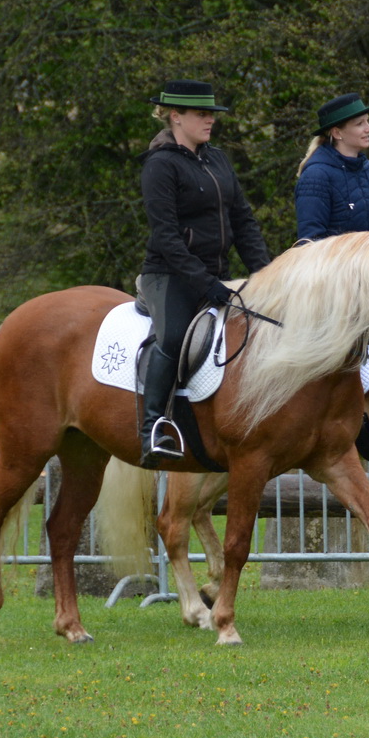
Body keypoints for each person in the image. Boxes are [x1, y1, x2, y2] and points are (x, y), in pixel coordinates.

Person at [137, 78, 272, 467]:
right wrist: (204, 283)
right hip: (169, 276)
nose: (210, 120)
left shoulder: (219, 160)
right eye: (201, 114)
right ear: (175, 116)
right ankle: (152, 427)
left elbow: (243, 221)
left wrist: (267, 275)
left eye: (211, 113)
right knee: (174, 336)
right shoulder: (160, 165)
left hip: (216, 276)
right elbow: (166, 237)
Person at [294, 93, 369, 241]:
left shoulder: (364, 169)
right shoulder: (316, 176)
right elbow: (309, 242)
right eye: (360, 123)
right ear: (337, 132)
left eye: (367, 121)